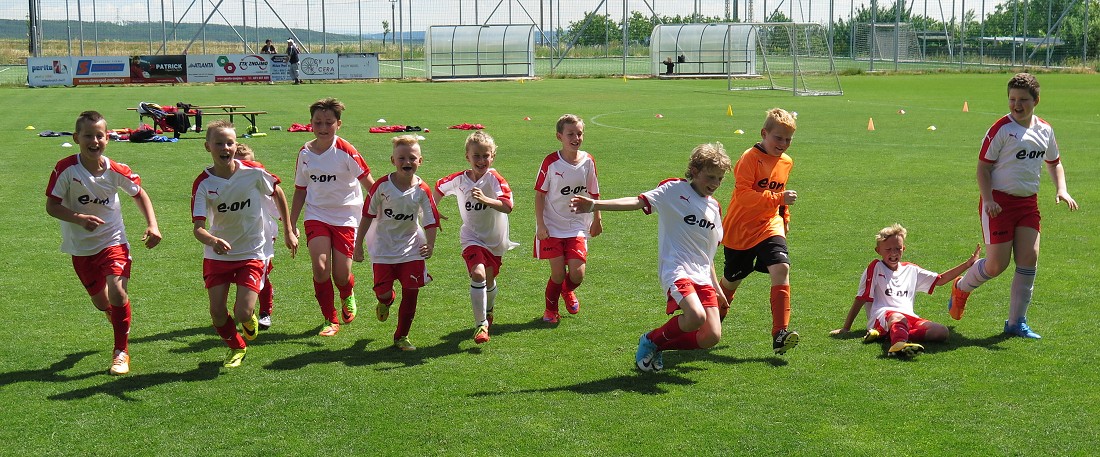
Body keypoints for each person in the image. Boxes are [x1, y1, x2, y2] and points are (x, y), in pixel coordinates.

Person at [571, 143, 731, 372]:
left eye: (719, 179)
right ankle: (651, 340)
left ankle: (660, 346)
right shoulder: (674, 190)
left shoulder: (715, 208)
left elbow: (707, 252)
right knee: (695, 316)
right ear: (694, 171)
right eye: (710, 177)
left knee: (711, 337)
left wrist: (716, 287)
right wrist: (595, 205)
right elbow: (637, 202)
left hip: (703, 276)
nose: (715, 184)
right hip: (677, 269)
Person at [948, 73, 1079, 339]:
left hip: (1028, 203)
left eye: (1023, 100)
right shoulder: (1001, 129)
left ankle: (1016, 322)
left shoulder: (1045, 129)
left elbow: (1054, 163)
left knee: (1029, 257)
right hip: (998, 202)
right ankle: (961, 287)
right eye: (1012, 99)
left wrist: (1061, 189)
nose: (1016, 105)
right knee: (997, 265)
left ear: (1036, 100)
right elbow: (983, 169)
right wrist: (989, 200)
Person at [46, 111, 162, 376]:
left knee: (118, 292)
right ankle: (114, 314)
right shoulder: (65, 169)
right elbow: (52, 206)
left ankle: (121, 351)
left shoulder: (115, 170)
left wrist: (152, 224)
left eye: (100, 135)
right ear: (76, 138)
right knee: (102, 303)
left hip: (113, 241)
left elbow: (139, 193)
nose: (94, 141)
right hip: (80, 247)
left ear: (108, 138)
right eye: (88, 136)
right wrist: (78, 218)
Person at [192, 121, 297, 368]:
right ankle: (237, 347)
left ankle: (249, 320)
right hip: (218, 255)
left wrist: (288, 230)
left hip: (252, 251)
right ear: (208, 146)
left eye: (230, 142)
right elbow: (197, 228)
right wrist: (212, 240)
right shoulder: (204, 183)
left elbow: (278, 192)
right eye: (219, 143)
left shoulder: (254, 172)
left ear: (236, 145)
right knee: (217, 313)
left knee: (242, 312)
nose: (225, 147)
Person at [290, 98, 375, 337]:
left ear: (339, 124)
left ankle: (347, 293)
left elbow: (369, 182)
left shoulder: (346, 151)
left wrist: (387, 205)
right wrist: (290, 223)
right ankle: (330, 319)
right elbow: (300, 188)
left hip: (347, 215)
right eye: (318, 122)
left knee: (340, 273)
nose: (323, 127)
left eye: (329, 122)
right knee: (319, 267)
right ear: (310, 124)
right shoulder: (305, 152)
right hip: (316, 214)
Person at [719, 107, 800, 355]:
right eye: (778, 138)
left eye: (788, 139)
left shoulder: (786, 162)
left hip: (769, 225)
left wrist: (784, 217)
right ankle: (711, 319)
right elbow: (743, 196)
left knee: (782, 267)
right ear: (764, 133)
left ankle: (780, 333)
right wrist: (778, 198)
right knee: (732, 281)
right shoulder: (749, 158)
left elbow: (779, 198)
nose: (783, 144)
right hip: (740, 229)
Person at [831, 224, 980, 358]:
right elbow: (861, 298)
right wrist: (846, 328)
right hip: (882, 317)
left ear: (904, 249)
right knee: (898, 317)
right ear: (878, 251)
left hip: (907, 318)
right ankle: (897, 345)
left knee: (941, 332)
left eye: (898, 248)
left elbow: (940, 279)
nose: (894, 253)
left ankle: (890, 334)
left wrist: (967, 264)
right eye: (888, 249)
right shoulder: (875, 267)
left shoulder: (911, 269)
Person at [353, 135, 440, 351]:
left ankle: (401, 336)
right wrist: (358, 245)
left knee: (411, 292)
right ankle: (386, 300)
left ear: (420, 161)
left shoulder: (422, 190)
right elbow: (366, 216)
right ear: (393, 160)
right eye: (402, 158)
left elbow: (430, 220)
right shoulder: (381, 187)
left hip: (411, 249)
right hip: (383, 248)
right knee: (382, 293)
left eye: (412, 158)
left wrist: (430, 244)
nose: (407, 162)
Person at [434, 131, 518, 344]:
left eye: (485, 156)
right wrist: (432, 211)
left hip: (495, 239)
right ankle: (481, 325)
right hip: (471, 237)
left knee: (489, 279)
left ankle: (489, 309)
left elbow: (508, 206)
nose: (481, 160)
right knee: (478, 274)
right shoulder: (459, 179)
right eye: (476, 156)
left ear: (493, 156)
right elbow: (437, 188)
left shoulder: (495, 179)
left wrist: (487, 199)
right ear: (467, 157)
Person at [534, 114, 602, 324]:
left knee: (577, 274)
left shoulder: (588, 161)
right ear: (559, 136)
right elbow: (539, 194)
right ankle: (550, 309)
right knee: (557, 273)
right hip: (552, 226)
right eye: (570, 134)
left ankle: (567, 291)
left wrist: (597, 218)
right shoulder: (551, 162)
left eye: (579, 133)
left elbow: (594, 192)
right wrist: (541, 225)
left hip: (577, 225)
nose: (576, 137)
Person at [234, 143, 278, 330]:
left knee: (262, 276)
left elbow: (275, 206)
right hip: (236, 238)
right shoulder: (227, 186)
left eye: (250, 164)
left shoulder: (259, 184)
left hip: (263, 237)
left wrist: (290, 227)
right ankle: (246, 308)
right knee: (239, 276)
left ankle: (265, 312)